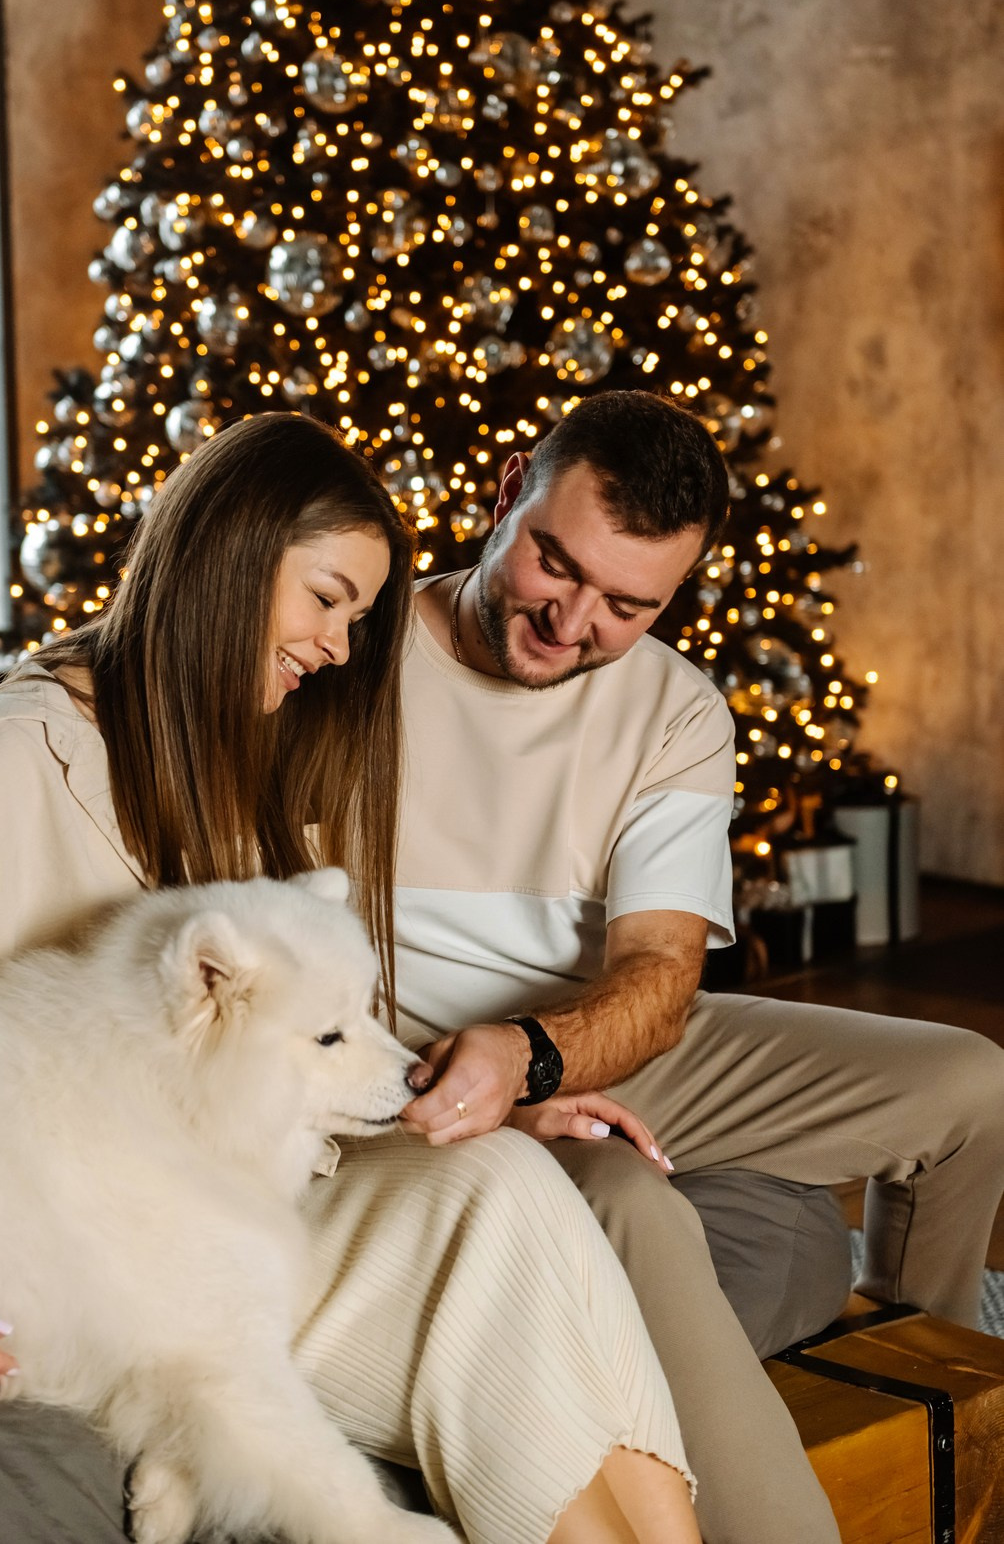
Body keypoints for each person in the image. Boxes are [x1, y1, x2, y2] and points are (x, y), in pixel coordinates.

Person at [0, 412, 700, 1544]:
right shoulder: (28, 748)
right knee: (503, 1257)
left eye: (359, 618)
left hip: (243, 1188)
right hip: (137, 1236)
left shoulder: (244, 737)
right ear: (231, 555)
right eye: (326, 599)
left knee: (512, 1177)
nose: (340, 647)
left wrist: (480, 1088)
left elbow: (289, 1025)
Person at [394, 387, 1004, 1544]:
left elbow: (659, 974)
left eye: (627, 604)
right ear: (510, 489)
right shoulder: (348, 654)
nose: (572, 621)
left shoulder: (673, 708)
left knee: (972, 1085)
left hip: (576, 1038)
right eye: (554, 563)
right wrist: (493, 1087)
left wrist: (531, 1056)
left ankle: (906, 1385)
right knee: (631, 1205)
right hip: (423, 1070)